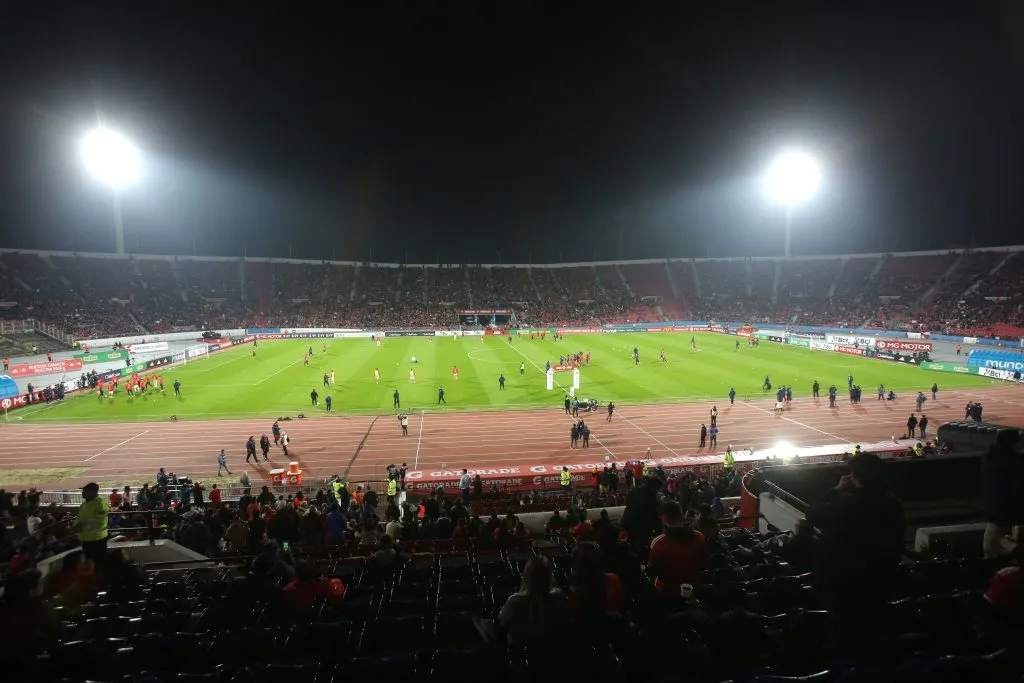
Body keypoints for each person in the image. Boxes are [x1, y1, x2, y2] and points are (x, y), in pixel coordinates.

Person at [805, 452, 905, 652]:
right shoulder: (893, 503)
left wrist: (835, 490)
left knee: (846, 634)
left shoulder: (849, 503)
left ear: (855, 477)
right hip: (882, 579)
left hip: (846, 583)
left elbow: (812, 513)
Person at [476, 555, 569, 645]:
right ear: (549, 577)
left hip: (521, 658)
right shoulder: (560, 598)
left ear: (526, 577)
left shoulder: (514, 602)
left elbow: (497, 630)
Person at [980, 429, 1024, 559]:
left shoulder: (991, 458)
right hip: (1005, 510)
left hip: (998, 510)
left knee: (990, 545)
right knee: (992, 544)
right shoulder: (1012, 462)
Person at [75, 482, 110, 565]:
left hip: (97, 540)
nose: (82, 493)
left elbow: (101, 523)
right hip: (86, 539)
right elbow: (81, 518)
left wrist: (81, 527)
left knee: (99, 563)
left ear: (93, 492)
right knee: (90, 563)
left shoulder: (100, 504)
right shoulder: (85, 504)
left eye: (85, 491)